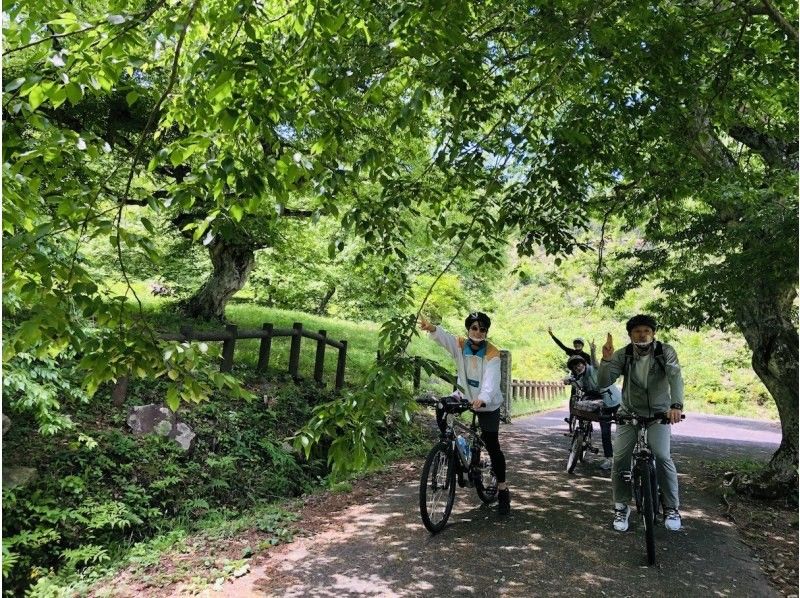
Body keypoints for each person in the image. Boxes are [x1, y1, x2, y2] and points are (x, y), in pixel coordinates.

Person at [597, 314, 685, 532]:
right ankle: (621, 506)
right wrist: (606, 361)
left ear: (653, 333)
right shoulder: (624, 354)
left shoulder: (665, 352)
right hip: (629, 412)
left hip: (659, 414)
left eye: (646, 330)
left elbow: (675, 376)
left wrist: (676, 405)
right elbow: (604, 382)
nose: (642, 334)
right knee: (619, 459)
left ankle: (671, 507)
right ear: (630, 335)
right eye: (637, 331)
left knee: (663, 456)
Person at [418, 311, 511, 515]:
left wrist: (483, 397)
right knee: (442, 407)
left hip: (487, 403)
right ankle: (449, 448)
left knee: (492, 445)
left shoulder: (492, 354)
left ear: (486, 332)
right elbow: (445, 339)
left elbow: (491, 381)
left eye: (482, 329)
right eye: (474, 328)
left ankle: (503, 489)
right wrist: (432, 328)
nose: (478, 332)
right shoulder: (460, 345)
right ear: (468, 329)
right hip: (464, 395)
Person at [563, 354, 617, 470]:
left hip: (609, 400)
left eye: (579, 364)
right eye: (574, 367)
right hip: (594, 400)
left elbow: (597, 365)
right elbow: (578, 385)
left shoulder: (593, 369)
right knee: (581, 408)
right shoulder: (580, 377)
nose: (577, 367)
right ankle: (582, 434)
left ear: (584, 363)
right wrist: (569, 381)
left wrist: (593, 353)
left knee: (606, 430)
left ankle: (609, 458)